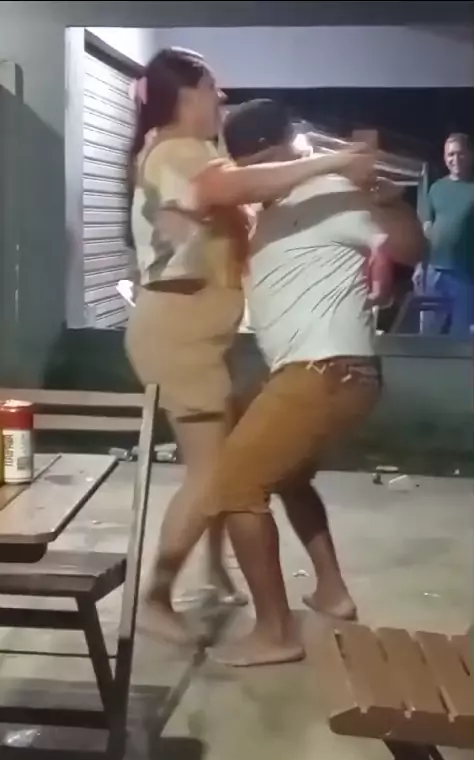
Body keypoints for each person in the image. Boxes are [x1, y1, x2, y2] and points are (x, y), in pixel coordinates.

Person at [125, 50, 376, 644]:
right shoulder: (177, 149)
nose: (222, 97)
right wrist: (335, 160)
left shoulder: (189, 150)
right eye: (213, 86)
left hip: (199, 334)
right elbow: (230, 185)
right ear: (187, 93)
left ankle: (214, 568)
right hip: (180, 335)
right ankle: (154, 598)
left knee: (229, 457)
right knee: (216, 473)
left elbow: (237, 186)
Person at [196, 98, 425, 667]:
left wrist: (391, 203)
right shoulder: (269, 205)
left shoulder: (330, 193)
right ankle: (332, 592)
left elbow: (409, 249)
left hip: (328, 370)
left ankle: (275, 631)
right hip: (307, 371)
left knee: (234, 487)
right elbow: (224, 191)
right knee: (290, 477)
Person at [417, 133, 474, 337]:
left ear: (471, 155)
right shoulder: (437, 188)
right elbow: (426, 226)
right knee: (429, 334)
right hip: (434, 273)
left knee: (461, 337)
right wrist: (420, 265)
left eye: (460, 153)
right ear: (444, 157)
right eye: (450, 154)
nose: (455, 159)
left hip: (465, 275)